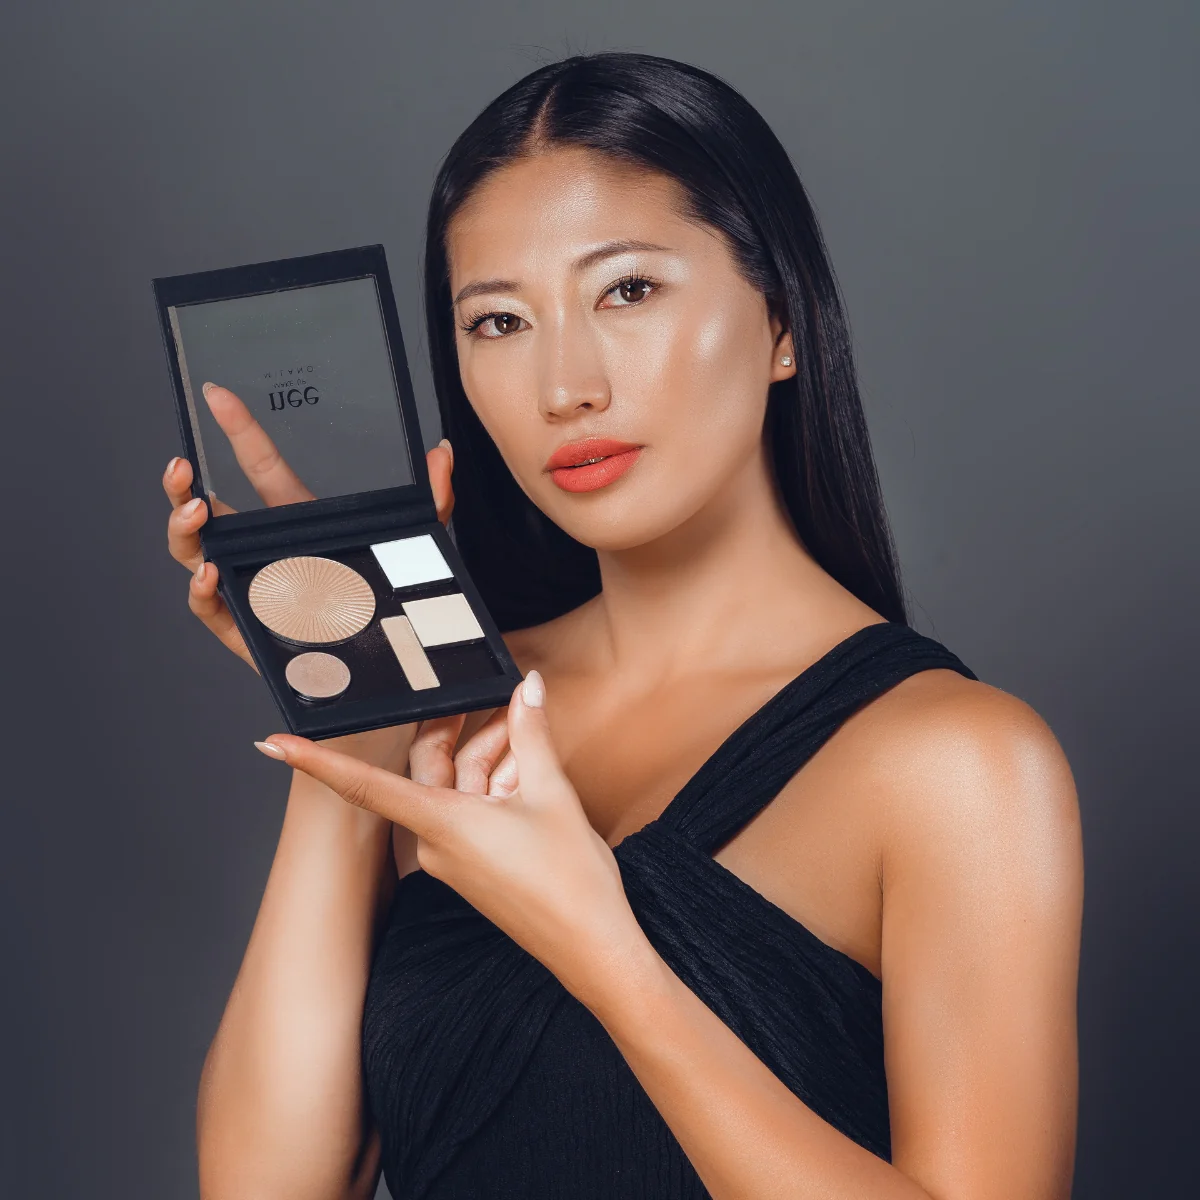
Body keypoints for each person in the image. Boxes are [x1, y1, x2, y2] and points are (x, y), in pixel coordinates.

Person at [163, 52, 1082, 1200]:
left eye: (629, 291)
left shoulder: (955, 765)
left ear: (782, 322)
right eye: (500, 321)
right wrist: (356, 727)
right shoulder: (463, 714)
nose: (566, 386)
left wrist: (606, 952)